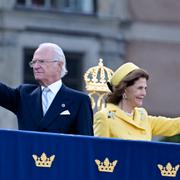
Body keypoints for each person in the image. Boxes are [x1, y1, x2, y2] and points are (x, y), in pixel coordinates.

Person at [0, 42, 93, 135]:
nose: (36, 66)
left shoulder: (79, 101)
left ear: (59, 65)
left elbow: (85, 143)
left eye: (41, 61)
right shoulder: (24, 94)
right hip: (29, 149)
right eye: (33, 62)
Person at [94, 62, 180, 141]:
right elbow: (98, 153)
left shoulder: (142, 116)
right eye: (139, 88)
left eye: (145, 88)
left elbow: (173, 125)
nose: (144, 93)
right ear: (124, 89)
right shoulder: (105, 117)